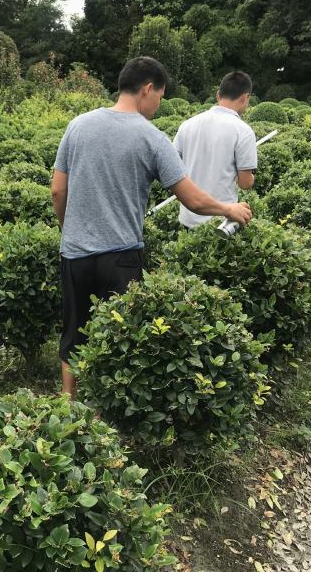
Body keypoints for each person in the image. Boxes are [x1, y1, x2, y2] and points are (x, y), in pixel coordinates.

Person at [51, 57, 253, 398]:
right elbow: (192, 199)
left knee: (74, 333)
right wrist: (228, 208)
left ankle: (68, 405)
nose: (159, 104)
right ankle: (103, 411)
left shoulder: (78, 126)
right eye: (159, 96)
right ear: (147, 89)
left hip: (76, 252)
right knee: (117, 336)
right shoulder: (152, 137)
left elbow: (58, 190)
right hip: (121, 257)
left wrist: (70, 230)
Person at [174, 71, 258, 229]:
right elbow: (245, 183)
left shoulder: (187, 125)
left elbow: (173, 168)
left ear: (218, 95)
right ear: (246, 97)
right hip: (221, 221)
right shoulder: (243, 131)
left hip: (187, 218)